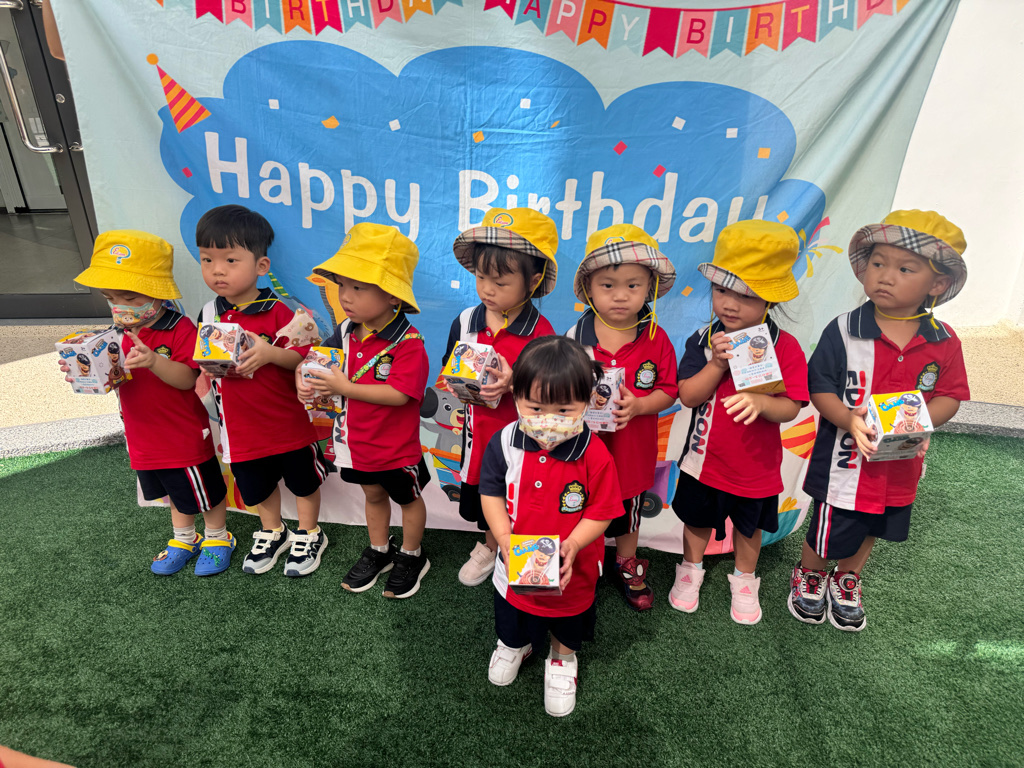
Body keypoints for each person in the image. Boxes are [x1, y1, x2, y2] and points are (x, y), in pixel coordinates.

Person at [791, 210, 970, 632]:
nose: (885, 276)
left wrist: (921, 423)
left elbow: (951, 395)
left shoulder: (944, 341)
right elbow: (820, 387)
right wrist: (847, 419)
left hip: (899, 465)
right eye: (877, 263)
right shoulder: (844, 329)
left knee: (874, 523)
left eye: (905, 269)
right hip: (843, 465)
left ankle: (848, 577)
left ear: (937, 284)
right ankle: (810, 574)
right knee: (828, 526)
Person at [62, 230, 233, 576]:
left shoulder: (180, 328)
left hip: (182, 434)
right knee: (173, 489)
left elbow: (188, 379)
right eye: (110, 297)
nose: (118, 305)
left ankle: (218, 536)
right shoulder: (113, 335)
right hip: (142, 434)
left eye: (128, 296)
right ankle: (184, 538)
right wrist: (84, 372)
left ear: (157, 293)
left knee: (205, 491)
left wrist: (155, 361)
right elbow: (113, 377)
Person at [669, 220, 809, 625]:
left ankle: (745, 579)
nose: (730, 304)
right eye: (722, 290)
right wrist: (716, 363)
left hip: (756, 468)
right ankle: (690, 569)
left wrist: (762, 403)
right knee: (696, 521)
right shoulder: (702, 340)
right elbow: (688, 396)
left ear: (769, 301)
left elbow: (792, 406)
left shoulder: (785, 347)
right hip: (702, 462)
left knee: (750, 528)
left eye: (746, 296)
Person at [479, 336, 622, 717]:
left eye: (563, 409)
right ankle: (514, 645)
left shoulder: (595, 453)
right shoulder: (504, 442)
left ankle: (562, 659)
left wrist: (573, 544)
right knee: (510, 610)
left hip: (572, 566)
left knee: (570, 615)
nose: (548, 419)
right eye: (536, 407)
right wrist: (503, 538)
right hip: (513, 561)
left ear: (586, 402)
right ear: (515, 396)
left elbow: (603, 510)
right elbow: (491, 492)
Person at [197, 205, 329, 577]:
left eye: (230, 260)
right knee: (256, 486)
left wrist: (271, 353)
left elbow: (309, 358)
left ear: (261, 266)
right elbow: (201, 364)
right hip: (240, 430)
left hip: (288, 424)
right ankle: (272, 530)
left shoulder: (282, 311)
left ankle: (310, 533)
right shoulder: (208, 314)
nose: (217, 270)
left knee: (303, 482)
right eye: (207, 259)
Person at [302, 223, 432, 598]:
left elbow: (401, 394)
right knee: (372, 496)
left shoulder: (409, 342)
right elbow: (316, 362)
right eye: (343, 285)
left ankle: (412, 555)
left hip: (397, 449)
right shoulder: (345, 331)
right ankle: (379, 549)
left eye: (359, 287)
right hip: (356, 445)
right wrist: (303, 378)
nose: (345, 296)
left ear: (392, 295)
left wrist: (345, 388)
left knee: (408, 500)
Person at [566, 224, 678, 611]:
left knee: (629, 513)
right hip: (583, 454)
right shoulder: (574, 338)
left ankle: (626, 561)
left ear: (649, 288)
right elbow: (559, 391)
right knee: (582, 507)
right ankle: (586, 563)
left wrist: (640, 406)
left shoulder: (657, 337)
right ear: (589, 288)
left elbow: (669, 389)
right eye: (608, 285)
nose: (620, 295)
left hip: (632, 454)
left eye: (633, 285)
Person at [445, 207, 558, 587]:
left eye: (500, 282)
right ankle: (491, 546)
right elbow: (448, 366)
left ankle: (522, 558)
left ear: (533, 281)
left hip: (523, 443)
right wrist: (454, 382)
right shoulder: (465, 321)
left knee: (521, 499)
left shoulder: (542, 333)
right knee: (486, 496)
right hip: (477, 437)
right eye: (480, 277)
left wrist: (515, 384)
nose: (487, 290)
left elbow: (552, 395)